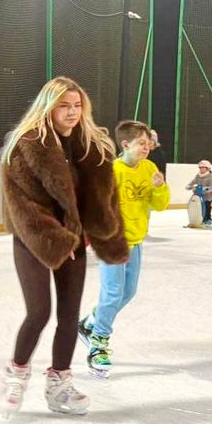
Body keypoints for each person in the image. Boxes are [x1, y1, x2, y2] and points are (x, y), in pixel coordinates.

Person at [0, 77, 129, 418]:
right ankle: (17, 372)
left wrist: (105, 236)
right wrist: (57, 239)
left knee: (69, 317)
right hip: (34, 239)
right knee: (39, 311)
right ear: (49, 106)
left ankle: (59, 383)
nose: (72, 112)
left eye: (77, 105)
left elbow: (105, 198)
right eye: (63, 105)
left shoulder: (92, 147)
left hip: (77, 239)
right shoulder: (26, 145)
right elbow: (21, 204)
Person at [78, 120, 171, 378]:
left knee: (128, 292)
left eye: (148, 143)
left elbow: (160, 205)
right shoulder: (113, 171)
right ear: (126, 144)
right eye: (141, 143)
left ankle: (91, 322)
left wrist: (159, 187)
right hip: (112, 240)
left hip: (135, 240)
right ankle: (98, 344)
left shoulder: (150, 168)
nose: (147, 148)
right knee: (113, 292)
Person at [186, 160, 212, 226]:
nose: (201, 169)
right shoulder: (198, 175)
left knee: (207, 207)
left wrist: (205, 189)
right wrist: (189, 186)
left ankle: (207, 220)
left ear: (207, 168)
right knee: (198, 208)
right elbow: (193, 181)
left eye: (203, 167)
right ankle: (198, 219)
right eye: (200, 168)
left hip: (207, 196)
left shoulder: (210, 176)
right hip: (198, 195)